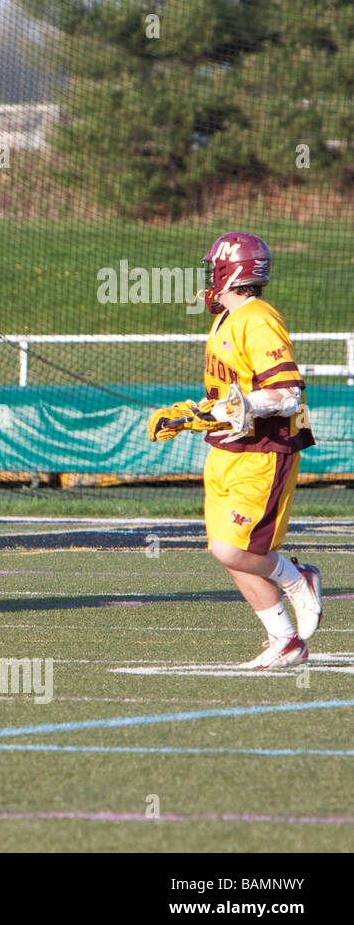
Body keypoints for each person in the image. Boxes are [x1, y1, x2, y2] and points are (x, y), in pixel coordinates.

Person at [147, 233, 321, 669]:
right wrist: (188, 416)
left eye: (214, 269)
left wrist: (232, 408)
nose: (209, 277)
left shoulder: (257, 319)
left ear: (233, 271)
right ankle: (285, 641)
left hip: (265, 449)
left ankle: (298, 579)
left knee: (234, 549)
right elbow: (231, 393)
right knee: (227, 548)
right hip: (227, 447)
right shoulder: (226, 319)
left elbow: (286, 395)